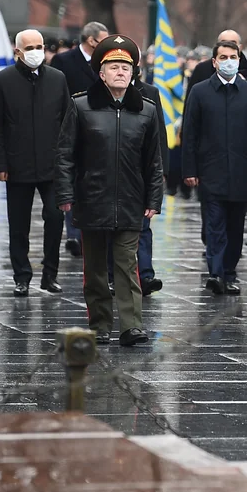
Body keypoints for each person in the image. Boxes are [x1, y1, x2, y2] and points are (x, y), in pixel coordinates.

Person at [56, 36, 163, 347]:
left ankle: (132, 326)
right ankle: (100, 324)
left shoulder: (146, 111)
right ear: (100, 73)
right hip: (92, 198)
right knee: (96, 269)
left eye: (126, 67)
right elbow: (65, 154)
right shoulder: (81, 106)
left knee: (127, 265)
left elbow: (153, 160)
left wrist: (154, 198)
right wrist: (65, 195)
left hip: (131, 200)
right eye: (113, 67)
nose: (120, 72)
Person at [0, 29, 73, 297]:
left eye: (40, 46)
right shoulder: (2, 81)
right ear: (17, 52)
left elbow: (67, 121)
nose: (36, 51)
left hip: (52, 165)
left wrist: (68, 160)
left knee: (55, 217)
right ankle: (22, 275)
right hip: (18, 164)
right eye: (30, 47)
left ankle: (50, 274)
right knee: (19, 224)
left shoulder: (57, 79)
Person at [182, 40, 247, 295]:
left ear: (240, 60)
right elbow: (190, 133)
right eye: (223, 57)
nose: (228, 61)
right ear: (214, 61)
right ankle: (216, 272)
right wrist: (189, 169)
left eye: (233, 56)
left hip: (242, 171)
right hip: (211, 170)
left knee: (235, 225)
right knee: (214, 224)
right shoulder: (200, 91)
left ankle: (230, 272)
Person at [52, 21, 108, 257]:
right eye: (103, 39)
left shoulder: (105, 62)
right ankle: (74, 234)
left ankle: (88, 230)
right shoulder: (63, 62)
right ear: (92, 40)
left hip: (100, 131)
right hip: (72, 128)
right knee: (72, 182)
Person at [132, 65, 169, 295]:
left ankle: (146, 275)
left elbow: (159, 133)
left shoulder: (150, 93)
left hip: (142, 169)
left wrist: (162, 168)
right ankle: (111, 276)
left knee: (144, 225)